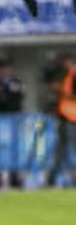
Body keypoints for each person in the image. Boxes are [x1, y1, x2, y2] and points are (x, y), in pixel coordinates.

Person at [0, 58, 23, 188]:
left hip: (13, 119)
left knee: (14, 148)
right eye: (2, 68)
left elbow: (20, 97)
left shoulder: (16, 82)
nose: (5, 71)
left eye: (7, 68)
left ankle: (14, 177)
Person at [46, 56, 76, 187]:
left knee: (71, 149)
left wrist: (60, 91)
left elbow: (71, 95)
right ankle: (51, 180)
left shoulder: (74, 75)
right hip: (64, 117)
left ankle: (71, 179)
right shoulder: (67, 76)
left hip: (73, 118)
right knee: (60, 150)